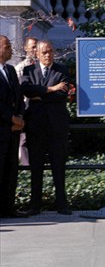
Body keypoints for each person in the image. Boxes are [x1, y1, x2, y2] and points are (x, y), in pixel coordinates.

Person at [21, 40, 72, 215]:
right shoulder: (29, 71)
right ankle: (35, 205)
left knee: (58, 165)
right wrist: (50, 89)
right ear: (37, 54)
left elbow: (62, 93)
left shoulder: (62, 71)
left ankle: (62, 204)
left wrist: (39, 93)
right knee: (36, 167)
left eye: (50, 51)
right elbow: (26, 90)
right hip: (35, 126)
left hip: (57, 126)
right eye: (44, 52)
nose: (48, 55)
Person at [0, 36, 26, 218]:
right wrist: (10, 118)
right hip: (1, 128)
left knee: (11, 169)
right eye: (7, 46)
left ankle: (8, 208)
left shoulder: (10, 70)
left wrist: (20, 117)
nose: (11, 50)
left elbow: (18, 98)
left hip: (13, 130)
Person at [15, 37, 38, 168]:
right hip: (25, 108)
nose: (35, 50)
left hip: (39, 108)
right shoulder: (20, 68)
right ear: (26, 48)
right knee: (23, 140)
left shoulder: (42, 65)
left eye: (36, 46)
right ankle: (25, 165)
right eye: (32, 47)